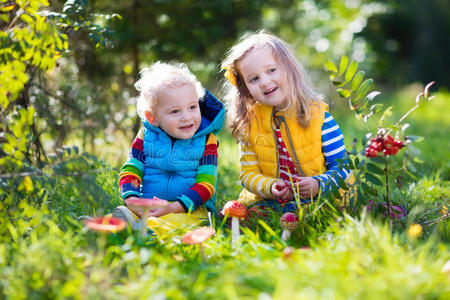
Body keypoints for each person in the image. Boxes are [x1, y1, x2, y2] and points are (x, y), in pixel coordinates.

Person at [221, 31, 351, 214]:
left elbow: (343, 167)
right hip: (272, 200)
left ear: (289, 69)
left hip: (320, 196)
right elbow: (248, 175)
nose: (265, 82)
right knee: (245, 217)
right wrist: (271, 186)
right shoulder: (251, 124)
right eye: (254, 79)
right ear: (245, 88)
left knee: (313, 213)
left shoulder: (319, 117)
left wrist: (318, 184)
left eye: (271, 70)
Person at [113, 62, 225, 235]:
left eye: (193, 107)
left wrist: (175, 206)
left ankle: (146, 232)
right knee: (128, 213)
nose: (187, 117)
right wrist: (132, 198)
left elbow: (206, 184)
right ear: (153, 118)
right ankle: (115, 225)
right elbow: (131, 169)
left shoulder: (206, 141)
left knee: (175, 223)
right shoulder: (146, 136)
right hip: (150, 205)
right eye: (175, 111)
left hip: (190, 209)